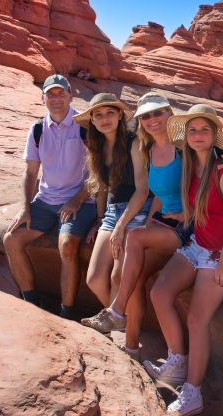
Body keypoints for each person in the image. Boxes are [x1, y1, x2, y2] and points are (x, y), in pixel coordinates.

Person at [80, 93, 223, 360]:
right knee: (131, 275)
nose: (152, 120)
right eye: (145, 116)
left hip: (186, 230)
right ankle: (130, 346)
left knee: (130, 254)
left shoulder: (184, 147)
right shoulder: (147, 150)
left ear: (169, 114)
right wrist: (146, 222)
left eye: (157, 113)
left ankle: (117, 314)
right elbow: (150, 193)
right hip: (162, 224)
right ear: (140, 121)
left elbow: (218, 157)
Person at [144, 104, 223, 415]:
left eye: (204, 130)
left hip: (221, 252)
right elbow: (197, 207)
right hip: (197, 244)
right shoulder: (190, 165)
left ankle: (193, 392)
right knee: (159, 293)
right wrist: (180, 215)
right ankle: (177, 360)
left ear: (214, 135)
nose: (198, 135)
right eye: (193, 130)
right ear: (185, 136)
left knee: (196, 320)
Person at [3, 74, 98, 319]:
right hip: (46, 201)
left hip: (81, 200)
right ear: (43, 97)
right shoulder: (37, 129)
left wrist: (77, 199)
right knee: (11, 239)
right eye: (51, 94)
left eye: (60, 93)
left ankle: (67, 312)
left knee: (67, 246)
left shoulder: (84, 126)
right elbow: (31, 171)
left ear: (70, 95)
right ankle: (32, 301)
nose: (56, 99)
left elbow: (99, 171)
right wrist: (25, 207)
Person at [73, 93, 153, 312]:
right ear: (92, 121)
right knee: (94, 279)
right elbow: (102, 188)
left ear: (120, 115)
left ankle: (118, 327)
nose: (104, 119)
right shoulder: (96, 148)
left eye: (110, 113)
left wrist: (120, 226)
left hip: (138, 210)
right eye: (98, 115)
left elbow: (143, 189)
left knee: (118, 274)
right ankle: (117, 318)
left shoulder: (133, 142)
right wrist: (100, 220)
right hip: (111, 213)